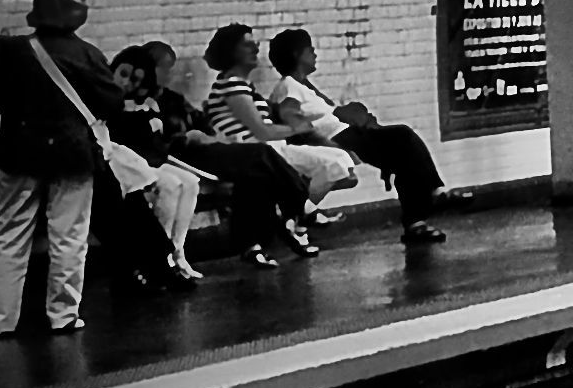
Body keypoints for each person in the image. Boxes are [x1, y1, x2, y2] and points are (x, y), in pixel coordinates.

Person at [0, 0, 120, 337]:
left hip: (19, 152)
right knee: (69, 235)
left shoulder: (11, 52)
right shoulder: (86, 54)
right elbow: (110, 103)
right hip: (72, 155)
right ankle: (62, 315)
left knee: (9, 236)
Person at [129, 40, 316, 265]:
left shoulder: (172, 98)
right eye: (163, 68)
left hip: (205, 147)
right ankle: (299, 202)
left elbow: (200, 120)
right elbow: (153, 138)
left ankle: (252, 244)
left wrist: (206, 133)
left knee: (255, 175)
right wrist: (186, 137)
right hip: (182, 154)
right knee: (259, 154)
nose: (167, 75)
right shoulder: (143, 101)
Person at [266, 26, 449, 244]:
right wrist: (330, 146)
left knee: (404, 156)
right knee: (403, 136)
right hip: (340, 137)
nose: (315, 54)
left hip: (346, 133)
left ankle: (418, 221)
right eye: (310, 50)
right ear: (297, 55)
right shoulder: (288, 86)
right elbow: (293, 121)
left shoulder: (302, 86)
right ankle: (432, 196)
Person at [204, 24, 357, 223]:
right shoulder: (231, 84)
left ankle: (295, 215)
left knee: (340, 161)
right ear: (230, 51)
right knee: (335, 162)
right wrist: (295, 129)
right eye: (247, 45)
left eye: (255, 44)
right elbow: (261, 131)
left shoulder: (243, 85)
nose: (255, 49)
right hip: (255, 153)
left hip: (272, 150)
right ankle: (295, 217)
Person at [100, 49, 210, 292]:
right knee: (170, 185)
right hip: (124, 166)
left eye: (135, 80)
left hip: (144, 161)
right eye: (123, 74)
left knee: (190, 182)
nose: (126, 83)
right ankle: (160, 260)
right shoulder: (108, 102)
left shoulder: (149, 104)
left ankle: (176, 253)